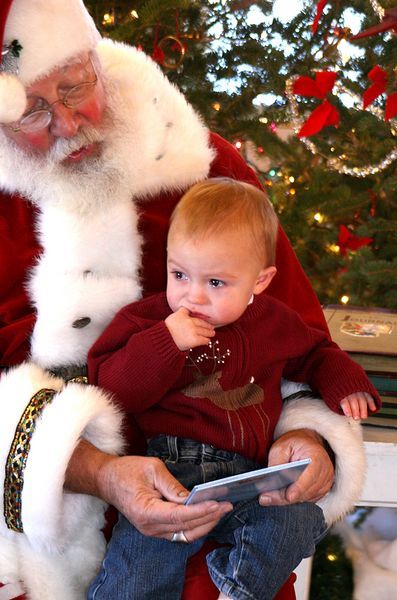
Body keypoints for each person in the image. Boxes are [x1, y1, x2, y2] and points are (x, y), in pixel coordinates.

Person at [0, 1, 368, 598]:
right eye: (34, 110)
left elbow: (296, 337)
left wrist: (310, 440)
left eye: (74, 87)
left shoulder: (206, 169)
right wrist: (96, 473)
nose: (67, 123)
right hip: (33, 545)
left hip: (219, 539)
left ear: (97, 60)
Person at [86, 178, 379, 599]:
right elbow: (112, 390)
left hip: (250, 475)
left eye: (216, 283)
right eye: (180, 274)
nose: (193, 296)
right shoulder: (148, 322)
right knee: (140, 568)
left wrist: (345, 383)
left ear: (259, 282)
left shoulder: (273, 323)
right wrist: (165, 342)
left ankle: (239, 588)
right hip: (170, 475)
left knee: (297, 521)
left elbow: (316, 352)